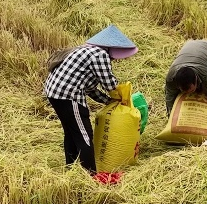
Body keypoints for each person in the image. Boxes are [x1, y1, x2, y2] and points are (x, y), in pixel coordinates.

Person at [44, 25, 138, 174]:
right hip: (68, 95)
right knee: (85, 136)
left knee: (71, 132)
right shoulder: (100, 54)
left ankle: (71, 169)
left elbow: (90, 89)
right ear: (113, 48)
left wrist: (108, 101)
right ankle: (90, 175)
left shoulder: (85, 51)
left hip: (54, 93)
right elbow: (109, 83)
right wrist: (120, 93)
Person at [164, 40, 207, 129]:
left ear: (196, 80)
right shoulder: (171, 78)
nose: (189, 94)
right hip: (190, 50)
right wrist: (171, 120)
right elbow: (169, 99)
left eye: (192, 90)